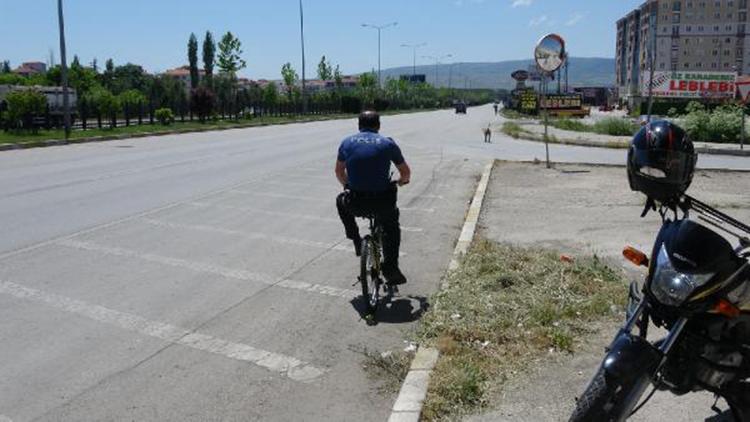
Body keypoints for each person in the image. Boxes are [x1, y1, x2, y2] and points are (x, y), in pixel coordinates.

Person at [335, 111, 411, 286]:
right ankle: (391, 267)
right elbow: (406, 173)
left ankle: (355, 239)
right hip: (382, 202)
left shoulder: (346, 142)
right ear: (378, 125)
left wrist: (348, 186)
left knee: (340, 200)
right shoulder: (388, 143)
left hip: (356, 202)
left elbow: (339, 172)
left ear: (359, 125)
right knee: (392, 229)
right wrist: (401, 182)